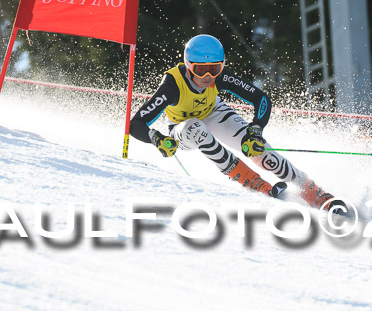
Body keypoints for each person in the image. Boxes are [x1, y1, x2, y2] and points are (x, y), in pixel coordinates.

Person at [129, 34, 343, 211]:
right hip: (182, 129)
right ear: (188, 65)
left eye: (214, 69)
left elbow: (261, 99)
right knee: (197, 128)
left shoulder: (220, 77)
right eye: (200, 69)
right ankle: (254, 182)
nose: (207, 76)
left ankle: (316, 194)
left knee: (257, 149)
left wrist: (256, 130)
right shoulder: (172, 85)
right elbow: (136, 123)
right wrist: (156, 139)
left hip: (214, 112)